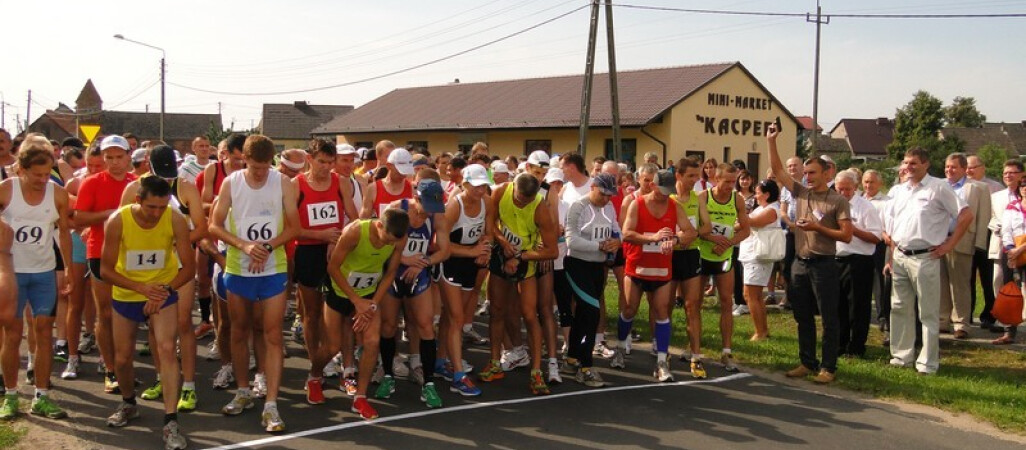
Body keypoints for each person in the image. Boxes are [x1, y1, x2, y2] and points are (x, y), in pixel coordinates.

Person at [209, 135, 300, 432]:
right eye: (255, 167)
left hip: (272, 267)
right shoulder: (231, 183)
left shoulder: (282, 183)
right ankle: (244, 390)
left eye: (265, 167)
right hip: (239, 266)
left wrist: (267, 247)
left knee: (273, 334)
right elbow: (214, 224)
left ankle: (271, 404)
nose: (261, 172)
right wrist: (245, 246)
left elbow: (294, 227)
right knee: (239, 330)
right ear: (243, 160)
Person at [99, 176, 194, 450]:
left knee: (166, 348)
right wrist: (142, 288)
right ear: (138, 200)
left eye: (161, 207)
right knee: (122, 357)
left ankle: (171, 421)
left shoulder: (174, 219)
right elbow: (105, 270)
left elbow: (189, 268)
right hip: (128, 292)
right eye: (151, 207)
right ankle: (129, 403)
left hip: (163, 291)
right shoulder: (119, 220)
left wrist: (162, 291)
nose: (156, 213)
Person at [118, 145, 212, 412]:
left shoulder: (185, 187)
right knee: (156, 327)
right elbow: (122, 224)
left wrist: (176, 243)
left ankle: (189, 386)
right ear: (148, 167)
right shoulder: (132, 189)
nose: (168, 181)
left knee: (183, 324)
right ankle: (163, 378)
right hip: (147, 270)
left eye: (171, 175)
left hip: (179, 266)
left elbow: (201, 226)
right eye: (163, 176)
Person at [768, 124, 852, 384]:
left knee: (828, 317)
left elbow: (847, 235)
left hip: (824, 264)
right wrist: (771, 141)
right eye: (805, 173)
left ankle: (828, 366)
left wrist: (818, 227)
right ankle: (807, 361)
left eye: (813, 173)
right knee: (802, 315)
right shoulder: (800, 192)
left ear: (827, 172)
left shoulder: (837, 200)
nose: (808, 177)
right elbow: (779, 172)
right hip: (800, 264)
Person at [0, 142, 73, 420]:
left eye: (47, 174)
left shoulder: (58, 194)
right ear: (22, 170)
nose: (43, 180)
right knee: (12, 334)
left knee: (44, 333)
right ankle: (10, 396)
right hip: (12, 272)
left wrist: (66, 268)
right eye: (37, 175)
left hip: (43, 271)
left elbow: (64, 232)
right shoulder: (7, 189)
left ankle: (41, 396)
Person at [883, 147, 971, 374]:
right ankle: (901, 357)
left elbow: (966, 215)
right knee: (899, 308)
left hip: (926, 256)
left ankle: (927, 363)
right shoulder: (898, 190)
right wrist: (892, 256)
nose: (908, 167)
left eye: (913, 163)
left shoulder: (938, 187)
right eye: (905, 162)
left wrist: (949, 245)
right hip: (901, 254)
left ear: (925, 164)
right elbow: (893, 226)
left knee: (928, 312)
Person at [315, 208, 408, 420]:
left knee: (372, 341)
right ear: (379, 226)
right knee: (332, 346)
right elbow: (333, 268)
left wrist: (372, 304)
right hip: (340, 291)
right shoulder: (356, 231)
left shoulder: (399, 238)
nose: (389, 244)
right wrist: (355, 301)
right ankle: (313, 376)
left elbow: (391, 272)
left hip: (368, 294)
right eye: (387, 239)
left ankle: (360, 397)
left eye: (393, 242)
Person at [478, 173, 558, 395]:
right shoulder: (501, 191)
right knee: (496, 310)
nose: (523, 203)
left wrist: (521, 257)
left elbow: (552, 250)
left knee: (530, 315)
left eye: (527, 201)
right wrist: (503, 242)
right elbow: (490, 222)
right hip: (502, 255)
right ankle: (494, 362)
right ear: (514, 188)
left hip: (526, 260)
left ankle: (536, 371)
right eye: (520, 199)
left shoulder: (540, 208)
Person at [616, 169, 698, 381]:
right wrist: (652, 237)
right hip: (637, 267)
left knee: (662, 311)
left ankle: (662, 361)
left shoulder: (674, 205)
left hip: (662, 270)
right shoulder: (637, 203)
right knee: (629, 309)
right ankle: (620, 345)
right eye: (661, 190)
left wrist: (676, 240)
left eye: (668, 191)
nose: (664, 195)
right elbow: (626, 233)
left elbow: (690, 231)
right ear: (652, 185)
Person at [293, 140, 358, 404]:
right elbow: (290, 227)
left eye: (331, 163)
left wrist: (338, 240)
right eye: (322, 162)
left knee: (343, 313)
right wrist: (319, 235)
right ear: (310, 158)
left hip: (336, 252)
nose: (327, 168)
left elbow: (354, 219)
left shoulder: (339, 182)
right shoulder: (296, 184)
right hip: (308, 251)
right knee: (312, 313)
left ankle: (347, 370)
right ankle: (316, 366)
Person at [375, 177, 449, 407]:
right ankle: (387, 375)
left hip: (419, 275)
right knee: (388, 326)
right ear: (416, 198)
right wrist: (404, 260)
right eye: (426, 208)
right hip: (393, 275)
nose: (429, 214)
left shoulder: (437, 216)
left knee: (426, 325)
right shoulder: (396, 209)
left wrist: (423, 262)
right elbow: (379, 242)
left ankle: (428, 384)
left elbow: (445, 250)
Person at [73, 135, 138, 393]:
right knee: (106, 313)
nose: (113, 163)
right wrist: (110, 214)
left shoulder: (138, 183)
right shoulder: (91, 183)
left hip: (132, 255)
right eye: (108, 157)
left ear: (129, 157)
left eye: (118, 157)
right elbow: (78, 218)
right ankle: (110, 368)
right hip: (100, 252)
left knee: (132, 315)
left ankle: (126, 368)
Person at [437, 164, 491, 396]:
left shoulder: (486, 202)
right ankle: (459, 376)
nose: (481, 191)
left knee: (452, 318)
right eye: (476, 187)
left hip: (470, 264)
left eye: (484, 186)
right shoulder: (454, 206)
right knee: (457, 318)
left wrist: (485, 249)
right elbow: (442, 245)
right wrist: (473, 252)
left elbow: (488, 232)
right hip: (450, 264)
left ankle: (440, 361)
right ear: (465, 184)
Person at [563, 173, 621, 387]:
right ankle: (585, 366)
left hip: (598, 266)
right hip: (578, 265)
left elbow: (616, 230)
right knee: (593, 313)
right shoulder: (578, 206)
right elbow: (571, 240)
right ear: (593, 187)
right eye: (603, 194)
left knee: (584, 314)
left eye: (610, 196)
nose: (606, 199)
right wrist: (598, 246)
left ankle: (571, 357)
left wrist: (616, 243)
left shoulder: (609, 207)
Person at [694, 163, 750, 372]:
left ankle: (726, 352)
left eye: (733, 181)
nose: (730, 185)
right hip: (702, 254)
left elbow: (746, 230)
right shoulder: (702, 197)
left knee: (727, 302)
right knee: (695, 303)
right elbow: (694, 228)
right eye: (726, 181)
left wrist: (727, 243)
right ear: (716, 179)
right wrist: (709, 237)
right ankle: (694, 350)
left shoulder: (737, 199)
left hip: (724, 256)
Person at [834, 170, 882, 357]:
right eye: (840, 189)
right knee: (838, 307)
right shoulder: (832, 204)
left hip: (859, 261)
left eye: (847, 189)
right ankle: (839, 344)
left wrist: (851, 229)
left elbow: (876, 237)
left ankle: (856, 347)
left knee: (858, 307)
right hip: (836, 259)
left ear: (855, 187)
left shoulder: (865, 207)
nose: (844, 193)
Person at [940, 154, 988, 339]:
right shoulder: (939, 185)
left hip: (963, 240)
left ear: (963, 168)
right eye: (946, 167)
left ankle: (961, 323)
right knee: (941, 283)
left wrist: (980, 243)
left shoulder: (977, 188)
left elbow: (983, 217)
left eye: (953, 167)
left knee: (960, 284)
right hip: (939, 239)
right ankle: (942, 321)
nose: (949, 170)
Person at [737, 179, 782, 342]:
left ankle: (760, 332)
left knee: (751, 295)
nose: (755, 196)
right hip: (751, 255)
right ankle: (763, 329)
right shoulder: (762, 208)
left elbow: (751, 222)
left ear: (767, 194)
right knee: (752, 295)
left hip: (759, 257)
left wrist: (739, 214)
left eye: (758, 193)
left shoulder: (771, 210)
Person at [988, 160, 1026, 343]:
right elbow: (997, 222)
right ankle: (1008, 328)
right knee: (1003, 285)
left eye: (1012, 173)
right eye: (1005, 173)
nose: (1008, 176)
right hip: (1006, 249)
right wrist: (1011, 250)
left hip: (1023, 248)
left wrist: (1021, 248)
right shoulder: (1000, 199)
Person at [862, 170, 892, 342]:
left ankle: (883, 317)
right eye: (866, 182)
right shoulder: (859, 200)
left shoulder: (886, 202)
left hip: (879, 245)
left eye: (872, 182)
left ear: (879, 184)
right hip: (860, 244)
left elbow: (886, 225)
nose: (868, 185)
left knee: (880, 283)